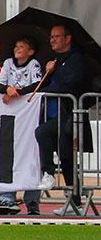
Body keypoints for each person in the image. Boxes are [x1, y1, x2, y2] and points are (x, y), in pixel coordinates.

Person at [35, 24, 92, 215]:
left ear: (68, 38)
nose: (52, 40)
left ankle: (49, 174)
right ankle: (73, 200)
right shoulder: (56, 61)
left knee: (60, 149)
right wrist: (47, 74)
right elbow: (52, 83)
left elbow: (69, 85)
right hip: (55, 115)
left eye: (56, 37)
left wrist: (45, 90)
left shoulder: (76, 60)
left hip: (69, 117)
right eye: (50, 37)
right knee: (64, 156)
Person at [0, 37, 42, 215]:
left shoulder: (34, 64)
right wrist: (7, 90)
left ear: (31, 52)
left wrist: (17, 93)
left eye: (22, 46)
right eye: (16, 45)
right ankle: (7, 197)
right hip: (12, 117)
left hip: (29, 116)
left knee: (31, 155)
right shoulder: (8, 63)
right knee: (9, 153)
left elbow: (36, 85)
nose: (17, 48)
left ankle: (32, 201)